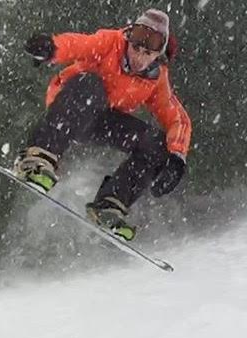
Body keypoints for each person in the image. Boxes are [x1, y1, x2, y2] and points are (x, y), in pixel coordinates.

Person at [13, 9, 192, 241]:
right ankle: (38, 158)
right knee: (91, 84)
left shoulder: (157, 78)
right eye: (135, 48)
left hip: (102, 121)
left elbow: (177, 118)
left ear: (157, 55)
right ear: (128, 38)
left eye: (147, 53)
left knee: (157, 144)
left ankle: (111, 204)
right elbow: (79, 44)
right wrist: (52, 48)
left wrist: (177, 157)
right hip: (74, 105)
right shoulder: (111, 42)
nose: (138, 57)